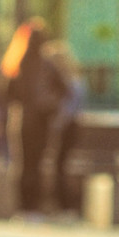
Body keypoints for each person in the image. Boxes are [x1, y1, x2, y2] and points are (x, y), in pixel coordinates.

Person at [0, 18, 68, 219]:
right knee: (35, 164)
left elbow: (4, 92)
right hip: (40, 120)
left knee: (24, 164)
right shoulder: (45, 64)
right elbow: (64, 89)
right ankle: (32, 207)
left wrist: (21, 103)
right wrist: (50, 105)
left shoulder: (16, 62)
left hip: (22, 119)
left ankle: (24, 207)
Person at [43, 40, 84, 215]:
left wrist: (56, 125)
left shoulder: (70, 81)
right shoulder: (74, 79)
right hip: (69, 126)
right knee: (60, 165)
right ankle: (61, 204)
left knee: (61, 165)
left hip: (66, 127)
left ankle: (65, 205)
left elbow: (70, 108)